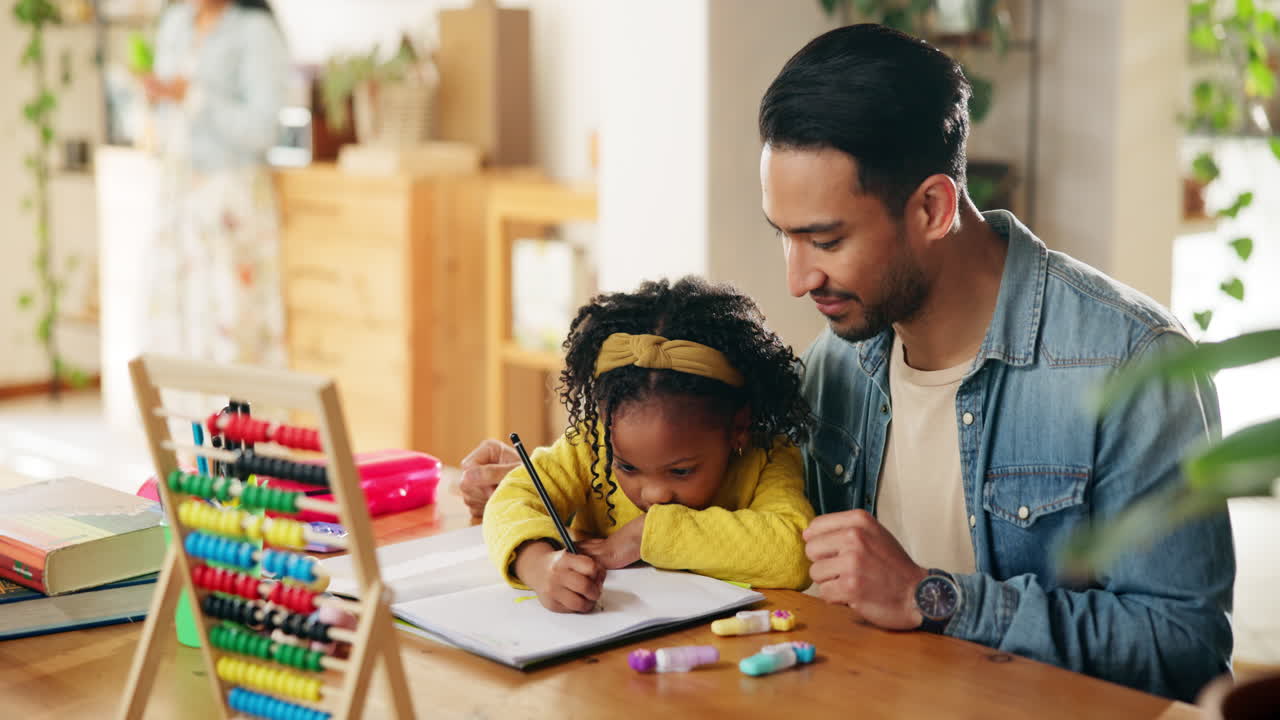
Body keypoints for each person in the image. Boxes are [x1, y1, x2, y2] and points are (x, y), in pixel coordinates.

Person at [462, 24, 1234, 702]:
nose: (797, 280)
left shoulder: (1130, 365)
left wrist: (936, 598)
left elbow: (1183, 646)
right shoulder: (836, 366)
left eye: (826, 241)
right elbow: (722, 497)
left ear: (932, 207)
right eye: (784, 236)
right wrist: (537, 503)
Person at [483, 277, 815, 613]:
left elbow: (795, 553)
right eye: (627, 466)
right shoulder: (593, 445)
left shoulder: (767, 456)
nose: (654, 494)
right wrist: (538, 565)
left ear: (738, 428)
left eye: (681, 470)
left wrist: (645, 536)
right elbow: (512, 498)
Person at [142, 0, 289, 366]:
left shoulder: (255, 29)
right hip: (178, 197)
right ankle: (184, 422)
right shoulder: (175, 23)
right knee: (176, 328)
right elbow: (165, 119)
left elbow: (262, 130)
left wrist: (196, 98)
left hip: (232, 198)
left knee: (233, 328)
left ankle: (239, 423)